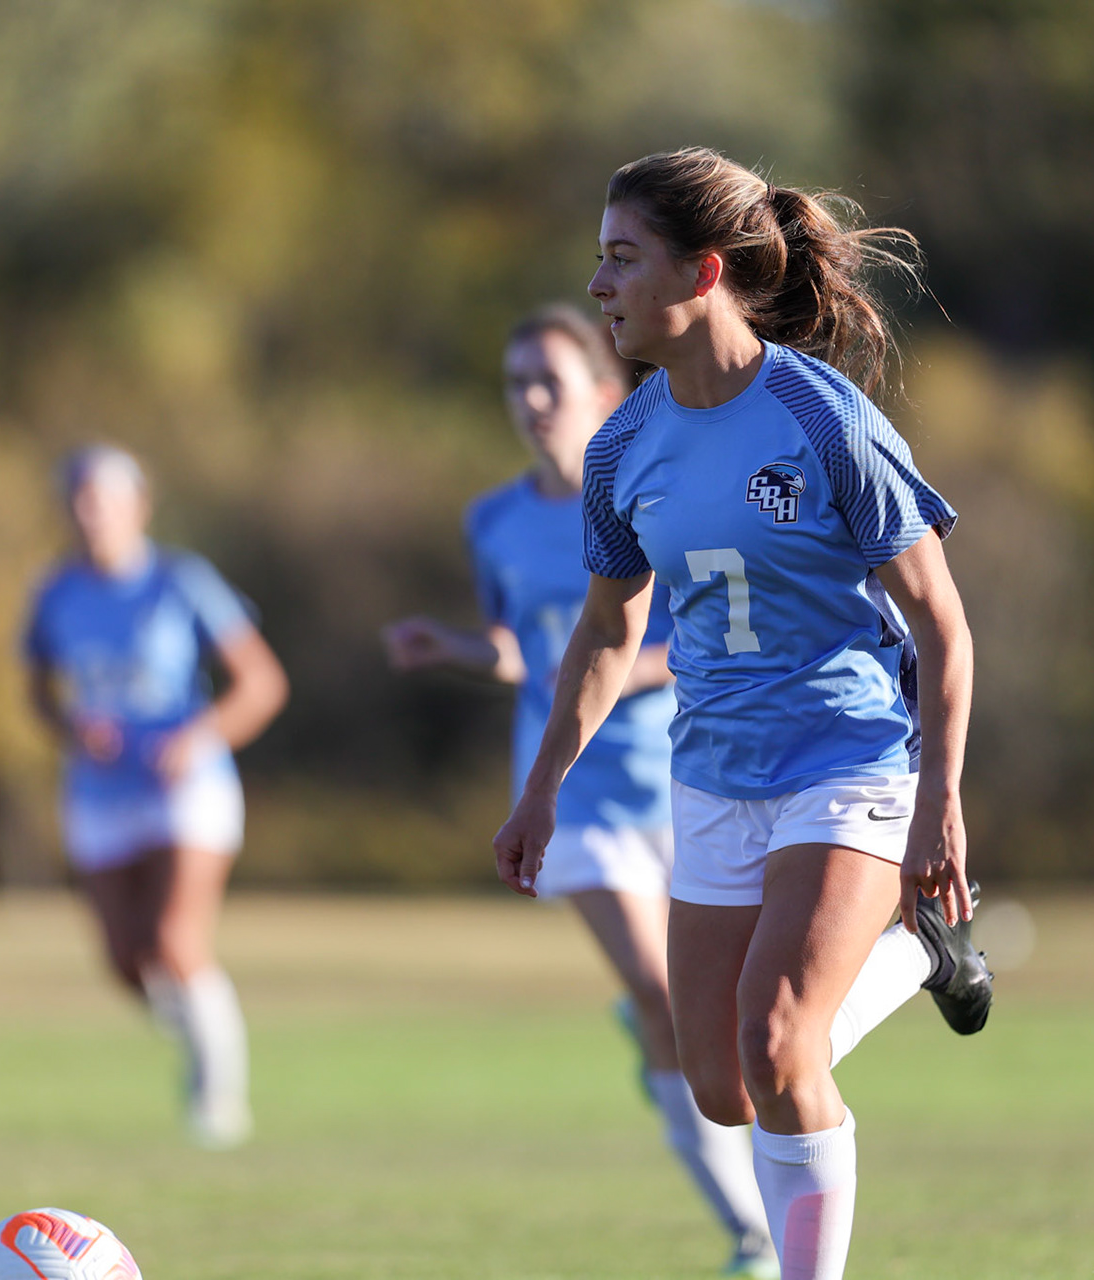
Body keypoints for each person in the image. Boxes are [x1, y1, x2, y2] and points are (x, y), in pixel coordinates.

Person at [493, 148, 993, 1280]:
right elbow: (610, 633)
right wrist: (542, 790)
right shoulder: (621, 447)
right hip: (713, 775)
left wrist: (940, 806)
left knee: (778, 1047)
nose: (598, 284)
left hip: (849, 757)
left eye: (623, 258)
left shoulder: (824, 420)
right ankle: (918, 954)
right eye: (600, 257)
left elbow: (943, 628)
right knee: (725, 1087)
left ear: (703, 271)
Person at [384, 304, 780, 1277]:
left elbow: (683, 635)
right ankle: (749, 1233)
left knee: (733, 1016)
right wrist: (457, 650)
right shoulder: (494, 520)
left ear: (605, 395)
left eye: (547, 381)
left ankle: (678, 1065)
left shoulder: (657, 491)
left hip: (694, 778)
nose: (528, 400)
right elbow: (528, 646)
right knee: (662, 995)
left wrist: (618, 668)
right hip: (577, 794)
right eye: (515, 382)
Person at [24, 446, 288, 1149]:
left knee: (174, 940)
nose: (91, 515)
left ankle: (218, 1095)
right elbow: (39, 697)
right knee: (122, 958)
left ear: (139, 507)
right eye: (79, 501)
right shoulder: (55, 593)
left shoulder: (181, 581)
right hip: (100, 790)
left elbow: (261, 683)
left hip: (186, 788)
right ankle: (201, 1030)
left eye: (106, 501)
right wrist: (73, 728)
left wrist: (197, 738)